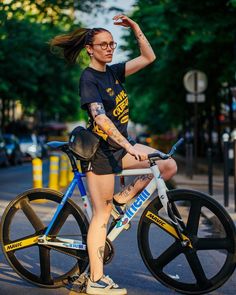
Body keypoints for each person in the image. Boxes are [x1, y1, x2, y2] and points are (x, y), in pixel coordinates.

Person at [50, 14, 177, 295]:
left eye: (112, 44)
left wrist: (136, 28)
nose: (109, 48)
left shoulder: (113, 72)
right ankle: (95, 280)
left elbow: (148, 58)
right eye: (103, 44)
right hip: (100, 154)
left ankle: (123, 197)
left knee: (167, 165)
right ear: (90, 49)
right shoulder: (89, 78)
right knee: (102, 215)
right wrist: (130, 146)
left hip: (119, 148)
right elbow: (101, 119)